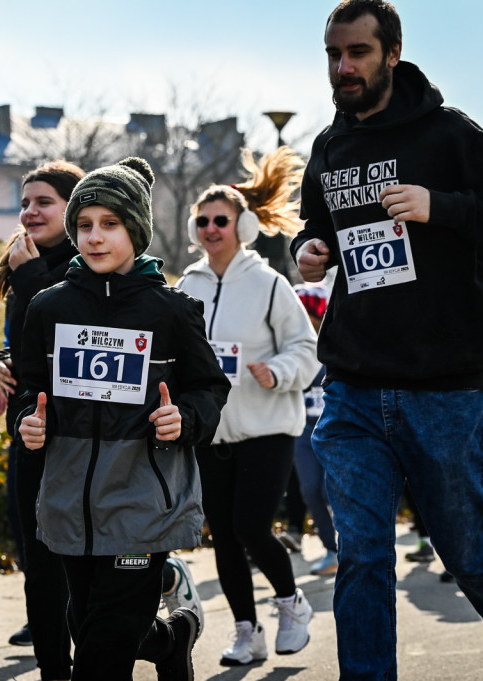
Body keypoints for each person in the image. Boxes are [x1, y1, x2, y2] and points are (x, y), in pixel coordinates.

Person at [292, 1, 483, 679]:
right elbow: (315, 224)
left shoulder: (448, 134)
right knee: (365, 554)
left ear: (392, 54)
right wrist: (310, 247)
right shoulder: (330, 146)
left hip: (443, 387)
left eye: (358, 53)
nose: (343, 68)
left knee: (466, 549)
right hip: (352, 380)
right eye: (333, 55)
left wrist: (442, 207)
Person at [16, 157, 231, 680]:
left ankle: (156, 637)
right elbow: (30, 392)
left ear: (136, 230)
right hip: (70, 499)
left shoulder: (170, 310)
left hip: (142, 501)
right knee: (92, 623)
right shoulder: (47, 309)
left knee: (101, 652)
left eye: (110, 224)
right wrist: (27, 423)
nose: (95, 238)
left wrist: (184, 417)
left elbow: (210, 387)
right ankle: (170, 638)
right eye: (85, 225)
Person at [176, 148, 320, 666]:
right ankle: (246, 631)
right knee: (225, 536)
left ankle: (291, 603)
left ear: (246, 225)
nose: (212, 228)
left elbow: (306, 348)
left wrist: (277, 371)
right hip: (211, 435)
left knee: (251, 526)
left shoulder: (269, 284)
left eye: (222, 220)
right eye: (204, 220)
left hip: (268, 426)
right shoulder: (186, 286)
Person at [0, 160, 82, 671]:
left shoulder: (86, 263)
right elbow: (19, 347)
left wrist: (29, 277)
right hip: (30, 430)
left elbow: (61, 336)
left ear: (73, 207)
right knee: (37, 562)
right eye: (25, 203)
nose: (30, 211)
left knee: (81, 565)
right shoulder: (22, 263)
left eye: (43, 202)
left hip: (82, 436)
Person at [291, 284, 339, 577]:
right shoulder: (291, 345)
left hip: (335, 431)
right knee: (310, 490)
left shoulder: (335, 344)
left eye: (307, 313)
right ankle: (331, 550)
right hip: (304, 430)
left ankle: (347, 546)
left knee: (330, 491)